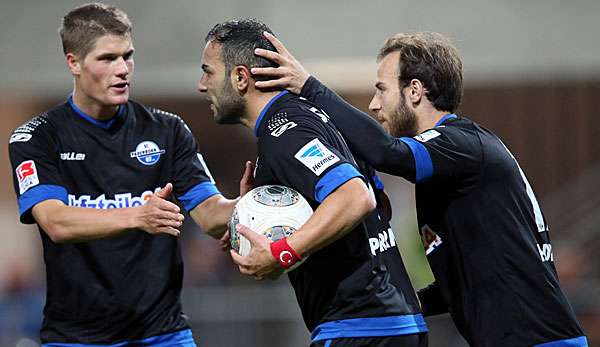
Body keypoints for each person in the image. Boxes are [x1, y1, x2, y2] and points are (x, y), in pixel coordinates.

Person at [250, 32, 589, 346]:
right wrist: (395, 305)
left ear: (414, 91)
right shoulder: (446, 171)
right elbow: (460, 285)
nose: (374, 104)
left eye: (382, 89)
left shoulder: (463, 144)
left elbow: (386, 153)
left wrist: (309, 87)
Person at [8, 3, 244, 346]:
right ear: (73, 62)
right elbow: (57, 222)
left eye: (127, 56)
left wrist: (248, 205)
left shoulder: (167, 130)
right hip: (76, 337)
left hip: (163, 333)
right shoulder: (38, 137)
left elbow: (209, 214)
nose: (122, 70)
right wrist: (139, 215)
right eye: (107, 59)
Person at [197, 19, 428, 347]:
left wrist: (283, 252)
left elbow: (355, 197)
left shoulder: (286, 131)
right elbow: (369, 204)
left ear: (240, 77)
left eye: (208, 71)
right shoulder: (311, 119)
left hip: (361, 327)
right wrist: (260, 221)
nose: (202, 84)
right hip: (390, 322)